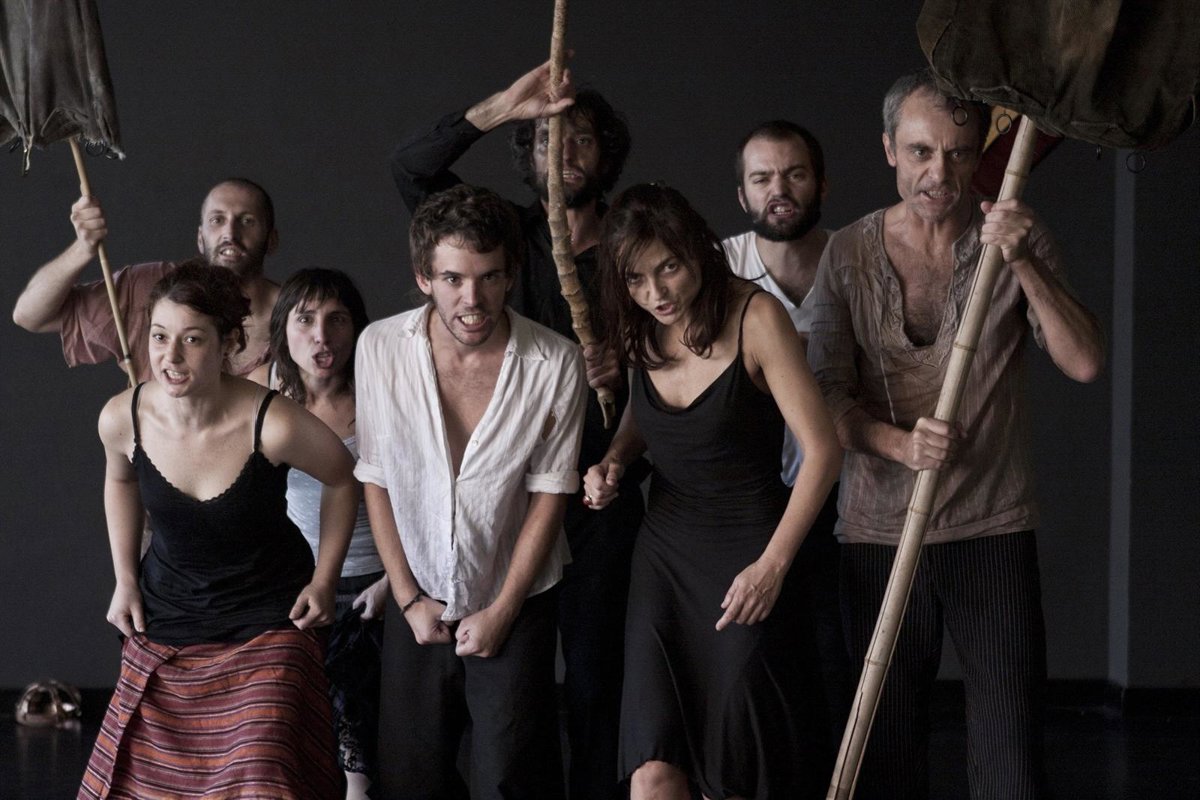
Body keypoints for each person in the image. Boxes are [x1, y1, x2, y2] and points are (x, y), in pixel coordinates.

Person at [806, 69, 1104, 800]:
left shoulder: (1014, 235)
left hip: (991, 528)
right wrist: (896, 444)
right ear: (889, 149)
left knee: (1009, 757)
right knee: (886, 753)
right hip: (877, 532)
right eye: (919, 152)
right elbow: (824, 396)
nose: (938, 173)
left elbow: (1084, 362)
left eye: (958, 153)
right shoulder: (848, 252)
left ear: (977, 157)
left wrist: (1022, 258)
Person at [391, 60, 643, 800]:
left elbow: (679, 358)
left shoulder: (635, 246)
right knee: (509, 691)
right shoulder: (502, 239)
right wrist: (503, 107)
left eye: (580, 137)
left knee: (596, 678)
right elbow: (409, 170)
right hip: (503, 505)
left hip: (597, 493)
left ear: (606, 153)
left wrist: (624, 369)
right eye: (544, 139)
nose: (562, 152)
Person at [584, 183, 841, 799]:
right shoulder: (640, 322)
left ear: (698, 248)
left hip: (750, 552)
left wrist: (772, 568)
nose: (657, 293)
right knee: (653, 766)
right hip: (664, 559)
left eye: (668, 268)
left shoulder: (757, 318)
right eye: (637, 279)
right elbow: (645, 412)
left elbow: (824, 451)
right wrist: (614, 459)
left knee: (737, 767)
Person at [79, 261, 358, 799]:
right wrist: (125, 580)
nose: (170, 357)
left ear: (229, 343)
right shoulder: (122, 417)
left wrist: (324, 582)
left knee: (259, 772)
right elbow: (120, 479)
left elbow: (343, 478)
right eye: (159, 337)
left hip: (269, 621)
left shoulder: (272, 422)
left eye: (192, 339)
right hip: (168, 616)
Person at [355, 184, 586, 800]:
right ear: (423, 277)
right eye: (453, 279)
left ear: (510, 276)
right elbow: (376, 478)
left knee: (513, 779)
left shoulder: (557, 363)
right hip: (417, 590)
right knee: (411, 779)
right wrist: (408, 599)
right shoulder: (379, 347)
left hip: (515, 594)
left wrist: (503, 610)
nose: (472, 299)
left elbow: (550, 496)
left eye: (488, 278)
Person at [723, 120, 849, 745]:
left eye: (794, 174)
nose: (779, 190)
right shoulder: (719, 268)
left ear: (821, 184)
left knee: (838, 660)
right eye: (762, 178)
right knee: (757, 667)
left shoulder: (857, 257)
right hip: (751, 496)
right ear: (742, 194)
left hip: (848, 493)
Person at [249, 268, 387, 800]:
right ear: (283, 328)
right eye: (305, 320)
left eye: (337, 320)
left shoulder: (383, 392)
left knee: (366, 746)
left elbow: (423, 499)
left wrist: (398, 585)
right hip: (296, 586)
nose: (322, 337)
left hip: (381, 581)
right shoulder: (260, 394)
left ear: (357, 327)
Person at [12, 178, 281, 381]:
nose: (230, 233)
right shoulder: (149, 287)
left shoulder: (295, 316)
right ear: (200, 238)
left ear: (271, 240)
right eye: (217, 220)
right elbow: (30, 315)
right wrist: (83, 249)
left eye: (247, 221)